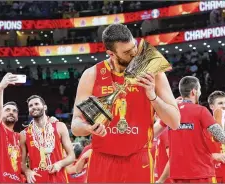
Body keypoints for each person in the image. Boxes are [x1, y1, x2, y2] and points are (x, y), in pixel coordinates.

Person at [71, 23, 180, 183]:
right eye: (127, 52)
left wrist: (152, 96)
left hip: (139, 158)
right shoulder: (92, 75)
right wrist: (88, 128)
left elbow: (175, 121)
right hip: (102, 159)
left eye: (134, 47)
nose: (135, 53)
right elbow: (75, 125)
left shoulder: (152, 71)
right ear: (111, 53)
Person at [154, 76, 225, 183]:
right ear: (194, 92)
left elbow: (152, 133)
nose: (199, 93)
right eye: (199, 90)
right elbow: (224, 139)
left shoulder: (172, 112)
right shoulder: (201, 111)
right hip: (200, 173)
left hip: (178, 175)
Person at [20, 95, 75, 183]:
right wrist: (27, 171)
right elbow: (21, 163)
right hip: (37, 179)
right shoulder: (24, 134)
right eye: (31, 106)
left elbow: (72, 156)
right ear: (29, 110)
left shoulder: (59, 126)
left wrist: (59, 164)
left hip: (59, 178)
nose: (34, 107)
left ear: (45, 107)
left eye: (36, 104)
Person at [0, 73, 23, 183]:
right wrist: (0, 89)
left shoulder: (19, 136)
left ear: (17, 117)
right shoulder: (0, 130)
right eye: (7, 110)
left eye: (14, 111)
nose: (11, 112)